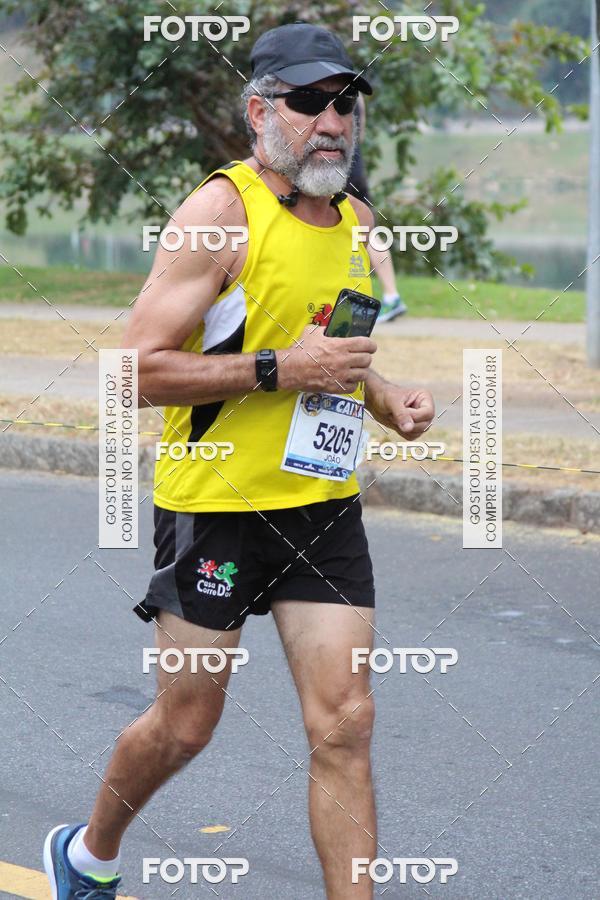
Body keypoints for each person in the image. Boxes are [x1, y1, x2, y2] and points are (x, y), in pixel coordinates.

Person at [44, 22, 434, 900]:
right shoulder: (218, 213)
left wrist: (388, 394)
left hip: (322, 508)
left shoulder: (358, 222)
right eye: (308, 101)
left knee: (347, 723)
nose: (333, 119)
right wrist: (276, 370)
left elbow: (333, 349)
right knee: (187, 726)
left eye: (346, 101)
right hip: (214, 508)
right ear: (260, 111)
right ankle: (88, 853)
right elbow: (136, 370)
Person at [345, 93, 408, 321]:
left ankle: (388, 298)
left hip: (338, 168)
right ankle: (391, 295)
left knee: (353, 233)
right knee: (366, 232)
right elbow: (360, 134)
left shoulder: (323, 85)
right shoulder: (357, 93)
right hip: (356, 166)